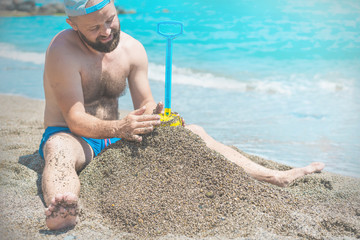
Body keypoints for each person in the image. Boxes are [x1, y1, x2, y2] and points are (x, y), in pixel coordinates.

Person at [40, 0, 325, 231]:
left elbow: (146, 105)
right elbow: (75, 119)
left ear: (115, 6)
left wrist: (161, 117)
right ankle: (63, 205)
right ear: (72, 24)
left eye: (110, 19)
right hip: (75, 137)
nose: (106, 31)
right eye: (94, 27)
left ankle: (275, 177)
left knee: (195, 132)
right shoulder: (62, 50)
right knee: (58, 149)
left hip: (117, 134)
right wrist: (121, 127)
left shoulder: (132, 49)